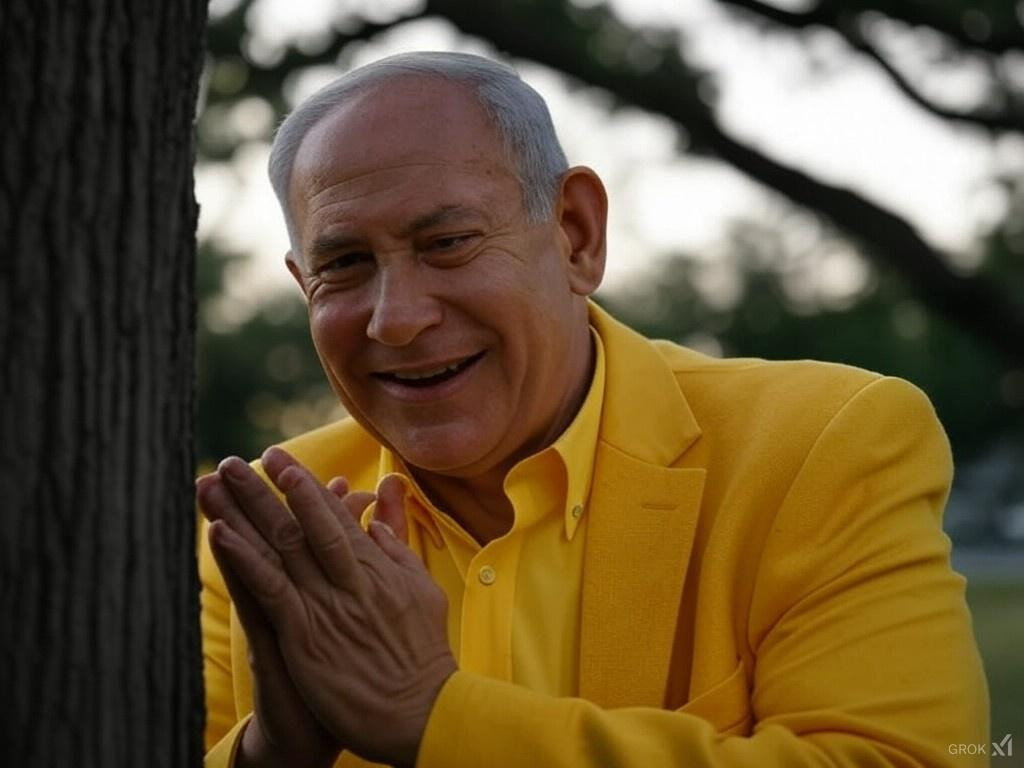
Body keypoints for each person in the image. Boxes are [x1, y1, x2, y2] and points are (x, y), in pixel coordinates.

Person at [197, 52, 988, 768]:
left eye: (448, 243)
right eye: (344, 263)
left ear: (576, 236)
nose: (395, 318)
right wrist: (270, 756)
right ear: (303, 286)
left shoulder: (818, 447)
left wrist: (435, 719)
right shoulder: (266, 524)